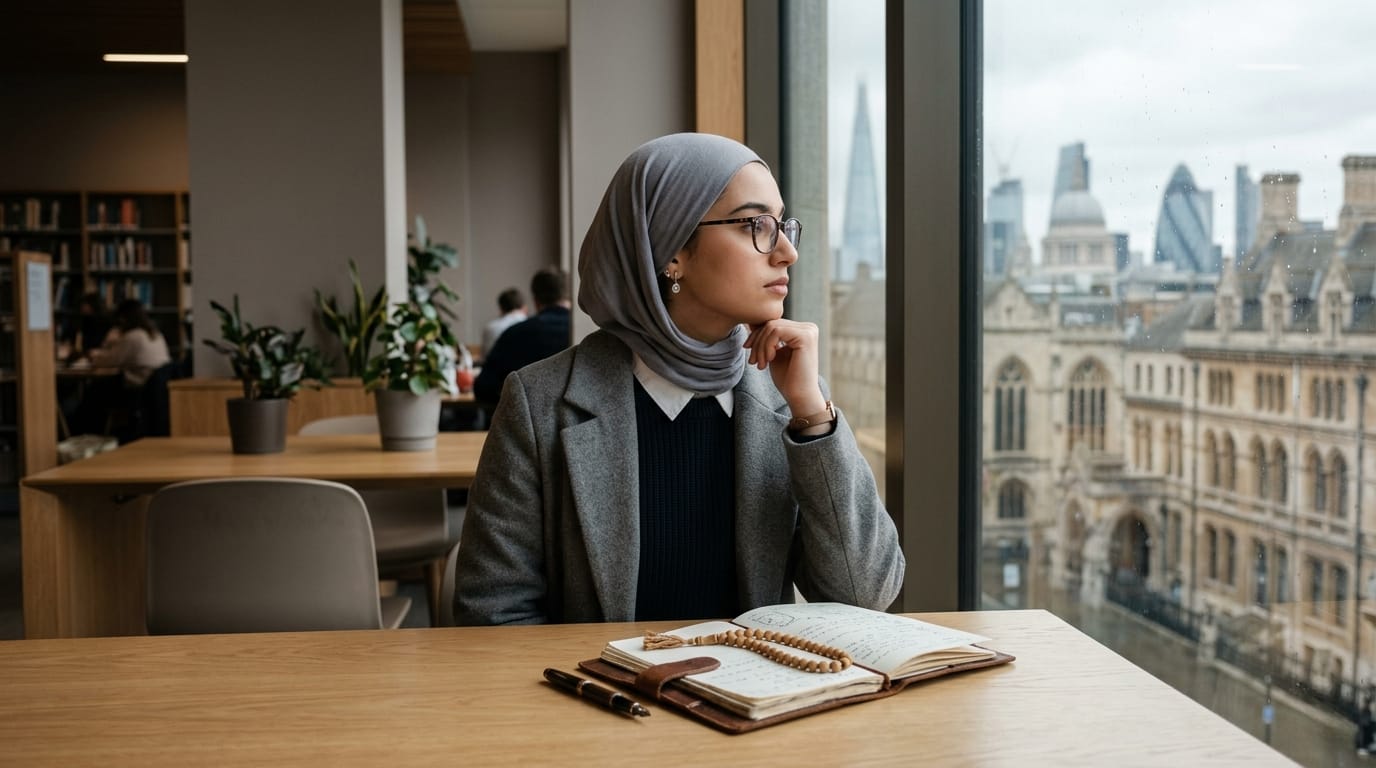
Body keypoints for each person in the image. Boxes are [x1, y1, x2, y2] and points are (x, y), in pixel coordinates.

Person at [454, 133, 903, 625]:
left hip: (753, 699)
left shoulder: (789, 400)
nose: (786, 253)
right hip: (605, 700)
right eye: (756, 224)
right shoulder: (540, 403)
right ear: (671, 250)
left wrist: (814, 415)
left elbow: (866, 594)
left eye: (783, 227)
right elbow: (492, 615)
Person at [472, 267, 572, 411]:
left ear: (536, 300)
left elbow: (483, 388)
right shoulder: (587, 334)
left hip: (526, 425)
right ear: (570, 297)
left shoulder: (514, 333)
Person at [480, 287, 528, 360]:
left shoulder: (490, 328)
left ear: (501, 308)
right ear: (524, 307)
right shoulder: (530, 325)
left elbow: (485, 359)